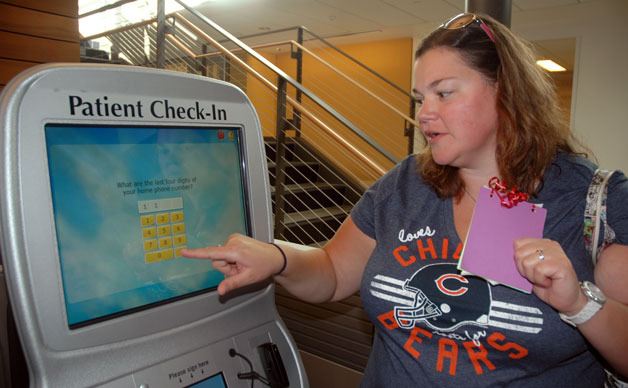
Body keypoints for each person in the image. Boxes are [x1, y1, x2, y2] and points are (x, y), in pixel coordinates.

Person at [182, 12, 628, 387]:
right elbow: (334, 274)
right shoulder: (406, 184)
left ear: (506, 92)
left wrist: (579, 304)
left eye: (444, 92)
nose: (424, 113)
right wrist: (279, 257)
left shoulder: (595, 204)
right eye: (420, 98)